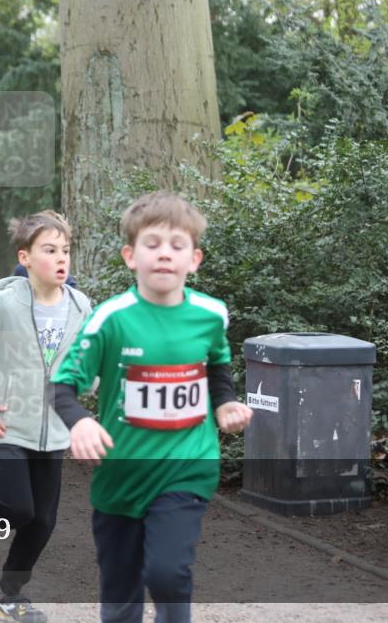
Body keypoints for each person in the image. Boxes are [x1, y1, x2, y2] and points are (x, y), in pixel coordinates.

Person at [51, 191, 253, 623]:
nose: (164, 254)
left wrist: (225, 403)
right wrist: (80, 422)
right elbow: (62, 386)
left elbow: (217, 363)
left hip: (188, 466)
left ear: (194, 259)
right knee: (120, 594)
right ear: (130, 256)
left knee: (167, 573)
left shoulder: (211, 314)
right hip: (121, 475)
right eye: (153, 244)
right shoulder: (111, 318)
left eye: (177, 246)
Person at [0, 210, 91, 623]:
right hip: (8, 425)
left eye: (65, 250)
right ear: (25, 257)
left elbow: (88, 358)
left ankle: (9, 595)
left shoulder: (81, 306)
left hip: (54, 430)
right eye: (50, 250)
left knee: (43, 522)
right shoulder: (3, 305)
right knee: (17, 510)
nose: (61, 258)